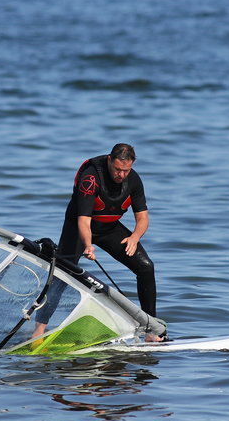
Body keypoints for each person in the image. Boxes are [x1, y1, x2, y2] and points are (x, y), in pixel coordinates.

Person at [32, 143, 163, 342]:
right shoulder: (91, 179)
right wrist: (87, 244)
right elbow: (84, 220)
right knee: (63, 274)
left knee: (146, 267)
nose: (121, 175)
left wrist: (134, 237)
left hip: (109, 228)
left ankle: (151, 332)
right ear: (110, 160)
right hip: (78, 230)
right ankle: (39, 331)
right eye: (117, 169)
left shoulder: (134, 179)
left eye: (125, 171)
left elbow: (143, 218)